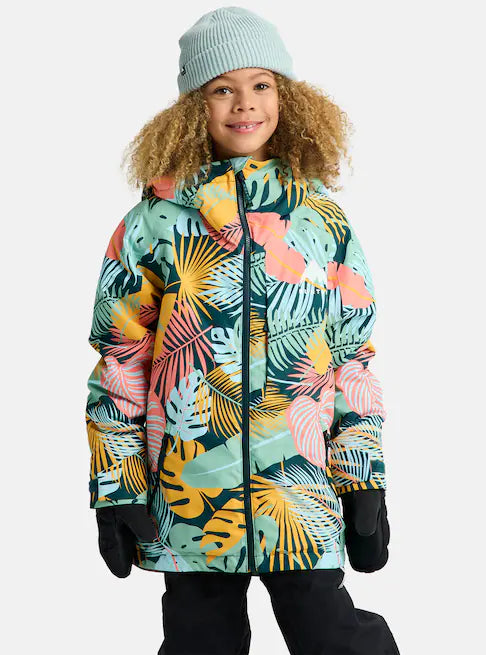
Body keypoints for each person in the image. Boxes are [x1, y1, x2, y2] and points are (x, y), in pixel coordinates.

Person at [85, 6, 400, 654]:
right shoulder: (153, 224)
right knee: (199, 643)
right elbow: (121, 360)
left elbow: (351, 358)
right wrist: (116, 486)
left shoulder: (321, 222)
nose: (245, 103)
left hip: (299, 495)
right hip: (192, 498)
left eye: (261, 84)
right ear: (192, 107)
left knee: (333, 637)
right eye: (221, 89)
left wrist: (362, 476)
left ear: (288, 98)